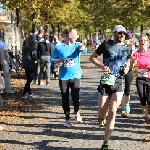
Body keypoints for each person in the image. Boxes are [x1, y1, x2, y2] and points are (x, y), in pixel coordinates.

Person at [89, 25, 132, 149]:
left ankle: (105, 142)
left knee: (113, 112)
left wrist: (127, 68)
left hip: (119, 81)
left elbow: (129, 61)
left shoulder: (127, 47)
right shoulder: (106, 45)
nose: (122, 35)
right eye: (119, 33)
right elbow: (93, 58)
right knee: (103, 111)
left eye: (124, 33)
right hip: (106, 81)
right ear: (114, 33)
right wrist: (102, 66)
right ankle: (101, 117)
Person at [51, 28, 87, 127]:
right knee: (65, 98)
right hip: (63, 77)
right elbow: (52, 58)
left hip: (75, 75)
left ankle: (77, 112)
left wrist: (82, 47)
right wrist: (56, 61)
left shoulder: (77, 45)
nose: (77, 36)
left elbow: (84, 50)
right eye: (76, 35)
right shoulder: (59, 47)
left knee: (76, 97)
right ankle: (67, 119)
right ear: (69, 35)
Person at [131, 34, 150, 124]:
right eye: (141, 41)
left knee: (149, 99)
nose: (143, 42)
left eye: (144, 40)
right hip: (140, 79)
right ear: (138, 43)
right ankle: (146, 117)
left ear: (148, 42)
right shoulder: (136, 54)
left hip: (149, 78)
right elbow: (131, 66)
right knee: (142, 98)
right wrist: (132, 62)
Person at [121, 32, 134, 118]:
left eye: (129, 38)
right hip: (120, 70)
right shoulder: (121, 45)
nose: (128, 39)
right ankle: (123, 109)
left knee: (127, 90)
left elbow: (134, 58)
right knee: (120, 90)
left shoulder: (132, 46)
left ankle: (127, 105)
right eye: (127, 38)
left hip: (129, 70)